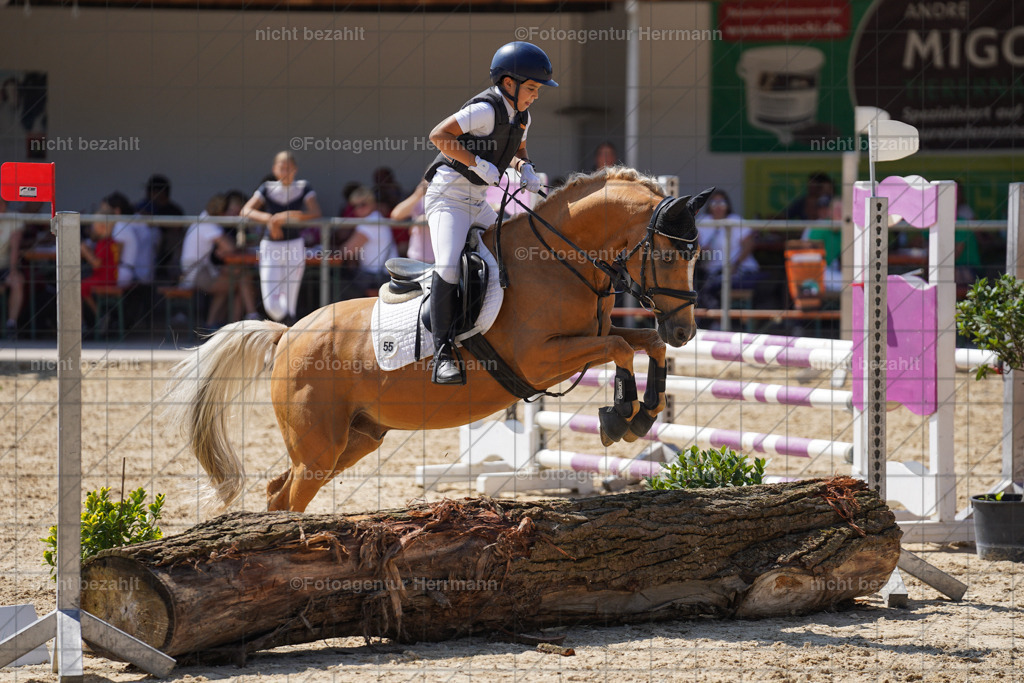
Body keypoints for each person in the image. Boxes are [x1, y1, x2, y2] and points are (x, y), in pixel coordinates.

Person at [423, 41, 557, 384]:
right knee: (448, 265)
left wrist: (525, 168)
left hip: (478, 200)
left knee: (514, 250)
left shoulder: (523, 116)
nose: (535, 96)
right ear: (508, 83)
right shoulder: (484, 109)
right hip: (448, 198)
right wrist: (476, 162)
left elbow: (518, 149)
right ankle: (442, 353)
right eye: (531, 88)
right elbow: (439, 135)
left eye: (538, 90)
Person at [241, 151, 322, 324]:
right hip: (271, 246)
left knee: (290, 300)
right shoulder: (267, 187)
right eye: (282, 168)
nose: (286, 172)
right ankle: (291, 324)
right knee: (271, 302)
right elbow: (246, 210)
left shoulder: (303, 187)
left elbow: (315, 212)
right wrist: (271, 219)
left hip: (294, 244)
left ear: (295, 169)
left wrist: (288, 215)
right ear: (274, 169)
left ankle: (289, 331)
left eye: (289, 168)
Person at [180, 193, 259, 328]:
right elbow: (229, 247)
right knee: (242, 280)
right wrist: (234, 246)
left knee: (239, 277)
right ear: (222, 211)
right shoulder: (208, 224)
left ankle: (220, 324)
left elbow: (226, 248)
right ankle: (239, 322)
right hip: (195, 273)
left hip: (203, 269)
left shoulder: (206, 219)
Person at [697, 189, 760, 309]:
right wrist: (702, 252)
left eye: (722, 203)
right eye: (714, 203)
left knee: (713, 288)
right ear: (709, 205)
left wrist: (735, 264)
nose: (718, 206)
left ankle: (720, 319)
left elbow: (749, 244)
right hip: (712, 273)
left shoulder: (735, 220)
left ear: (728, 205)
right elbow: (694, 248)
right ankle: (712, 318)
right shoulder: (702, 221)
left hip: (739, 271)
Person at [337, 186, 398, 298]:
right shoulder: (375, 218)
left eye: (363, 204)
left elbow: (347, 251)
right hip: (382, 275)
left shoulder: (370, 222)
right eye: (354, 206)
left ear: (373, 204)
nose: (358, 209)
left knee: (336, 284)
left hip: (378, 278)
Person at [136, 174, 185, 284]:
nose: (148, 194)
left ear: (161, 192)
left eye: (151, 190)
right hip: (149, 249)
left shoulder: (174, 210)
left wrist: (156, 221)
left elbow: (178, 228)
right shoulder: (145, 206)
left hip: (168, 251)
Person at [104, 192, 158, 289]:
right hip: (147, 274)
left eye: (105, 212)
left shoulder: (121, 225)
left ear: (117, 211)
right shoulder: (138, 220)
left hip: (135, 276)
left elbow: (115, 257)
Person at [80, 216, 119, 324]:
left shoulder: (103, 243)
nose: (92, 229)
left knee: (79, 287)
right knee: (82, 284)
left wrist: (85, 250)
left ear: (102, 227)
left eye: (94, 226)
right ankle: (97, 316)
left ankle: (98, 316)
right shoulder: (111, 241)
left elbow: (96, 264)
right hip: (112, 277)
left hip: (104, 279)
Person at [0, 197, 25, 338]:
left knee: (17, 281)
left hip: (5, 266)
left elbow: (15, 249)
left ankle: (11, 323)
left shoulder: (13, 218)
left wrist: (13, 271)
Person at [391, 179, 431, 261]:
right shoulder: (420, 199)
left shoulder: (451, 199)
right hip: (417, 257)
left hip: (439, 259)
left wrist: (426, 219)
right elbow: (396, 215)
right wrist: (417, 194)